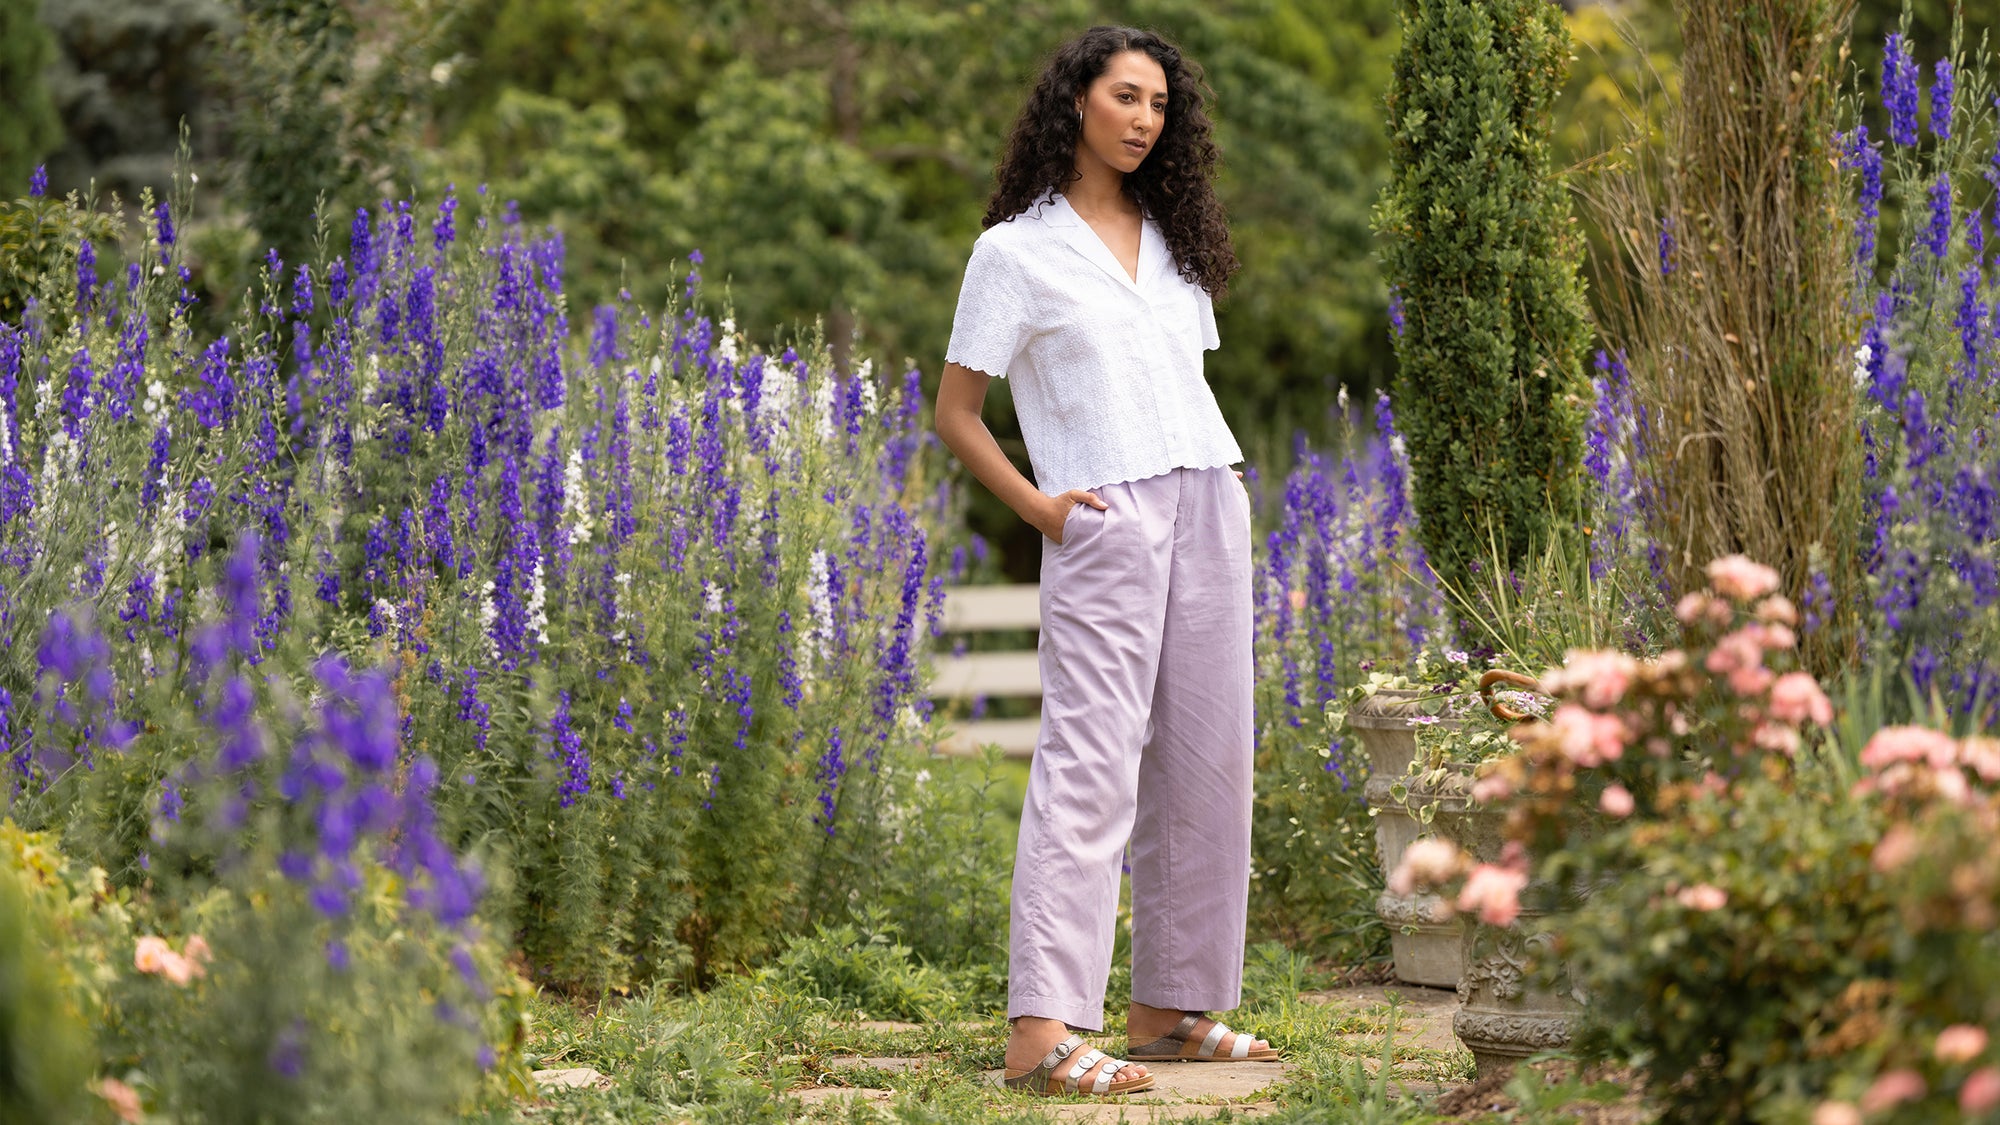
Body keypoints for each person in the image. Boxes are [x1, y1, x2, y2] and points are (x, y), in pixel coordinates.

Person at [933, 24, 1276, 1099]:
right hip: (1101, 511)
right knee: (1088, 764)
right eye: (1125, 96)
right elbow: (955, 412)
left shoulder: (1175, 241)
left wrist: (1214, 492)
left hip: (1207, 494)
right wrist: (1040, 507)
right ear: (1073, 100)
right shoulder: (1014, 253)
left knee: (1209, 759)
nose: (1142, 119)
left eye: (1160, 105)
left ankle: (1170, 1011)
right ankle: (1041, 1032)